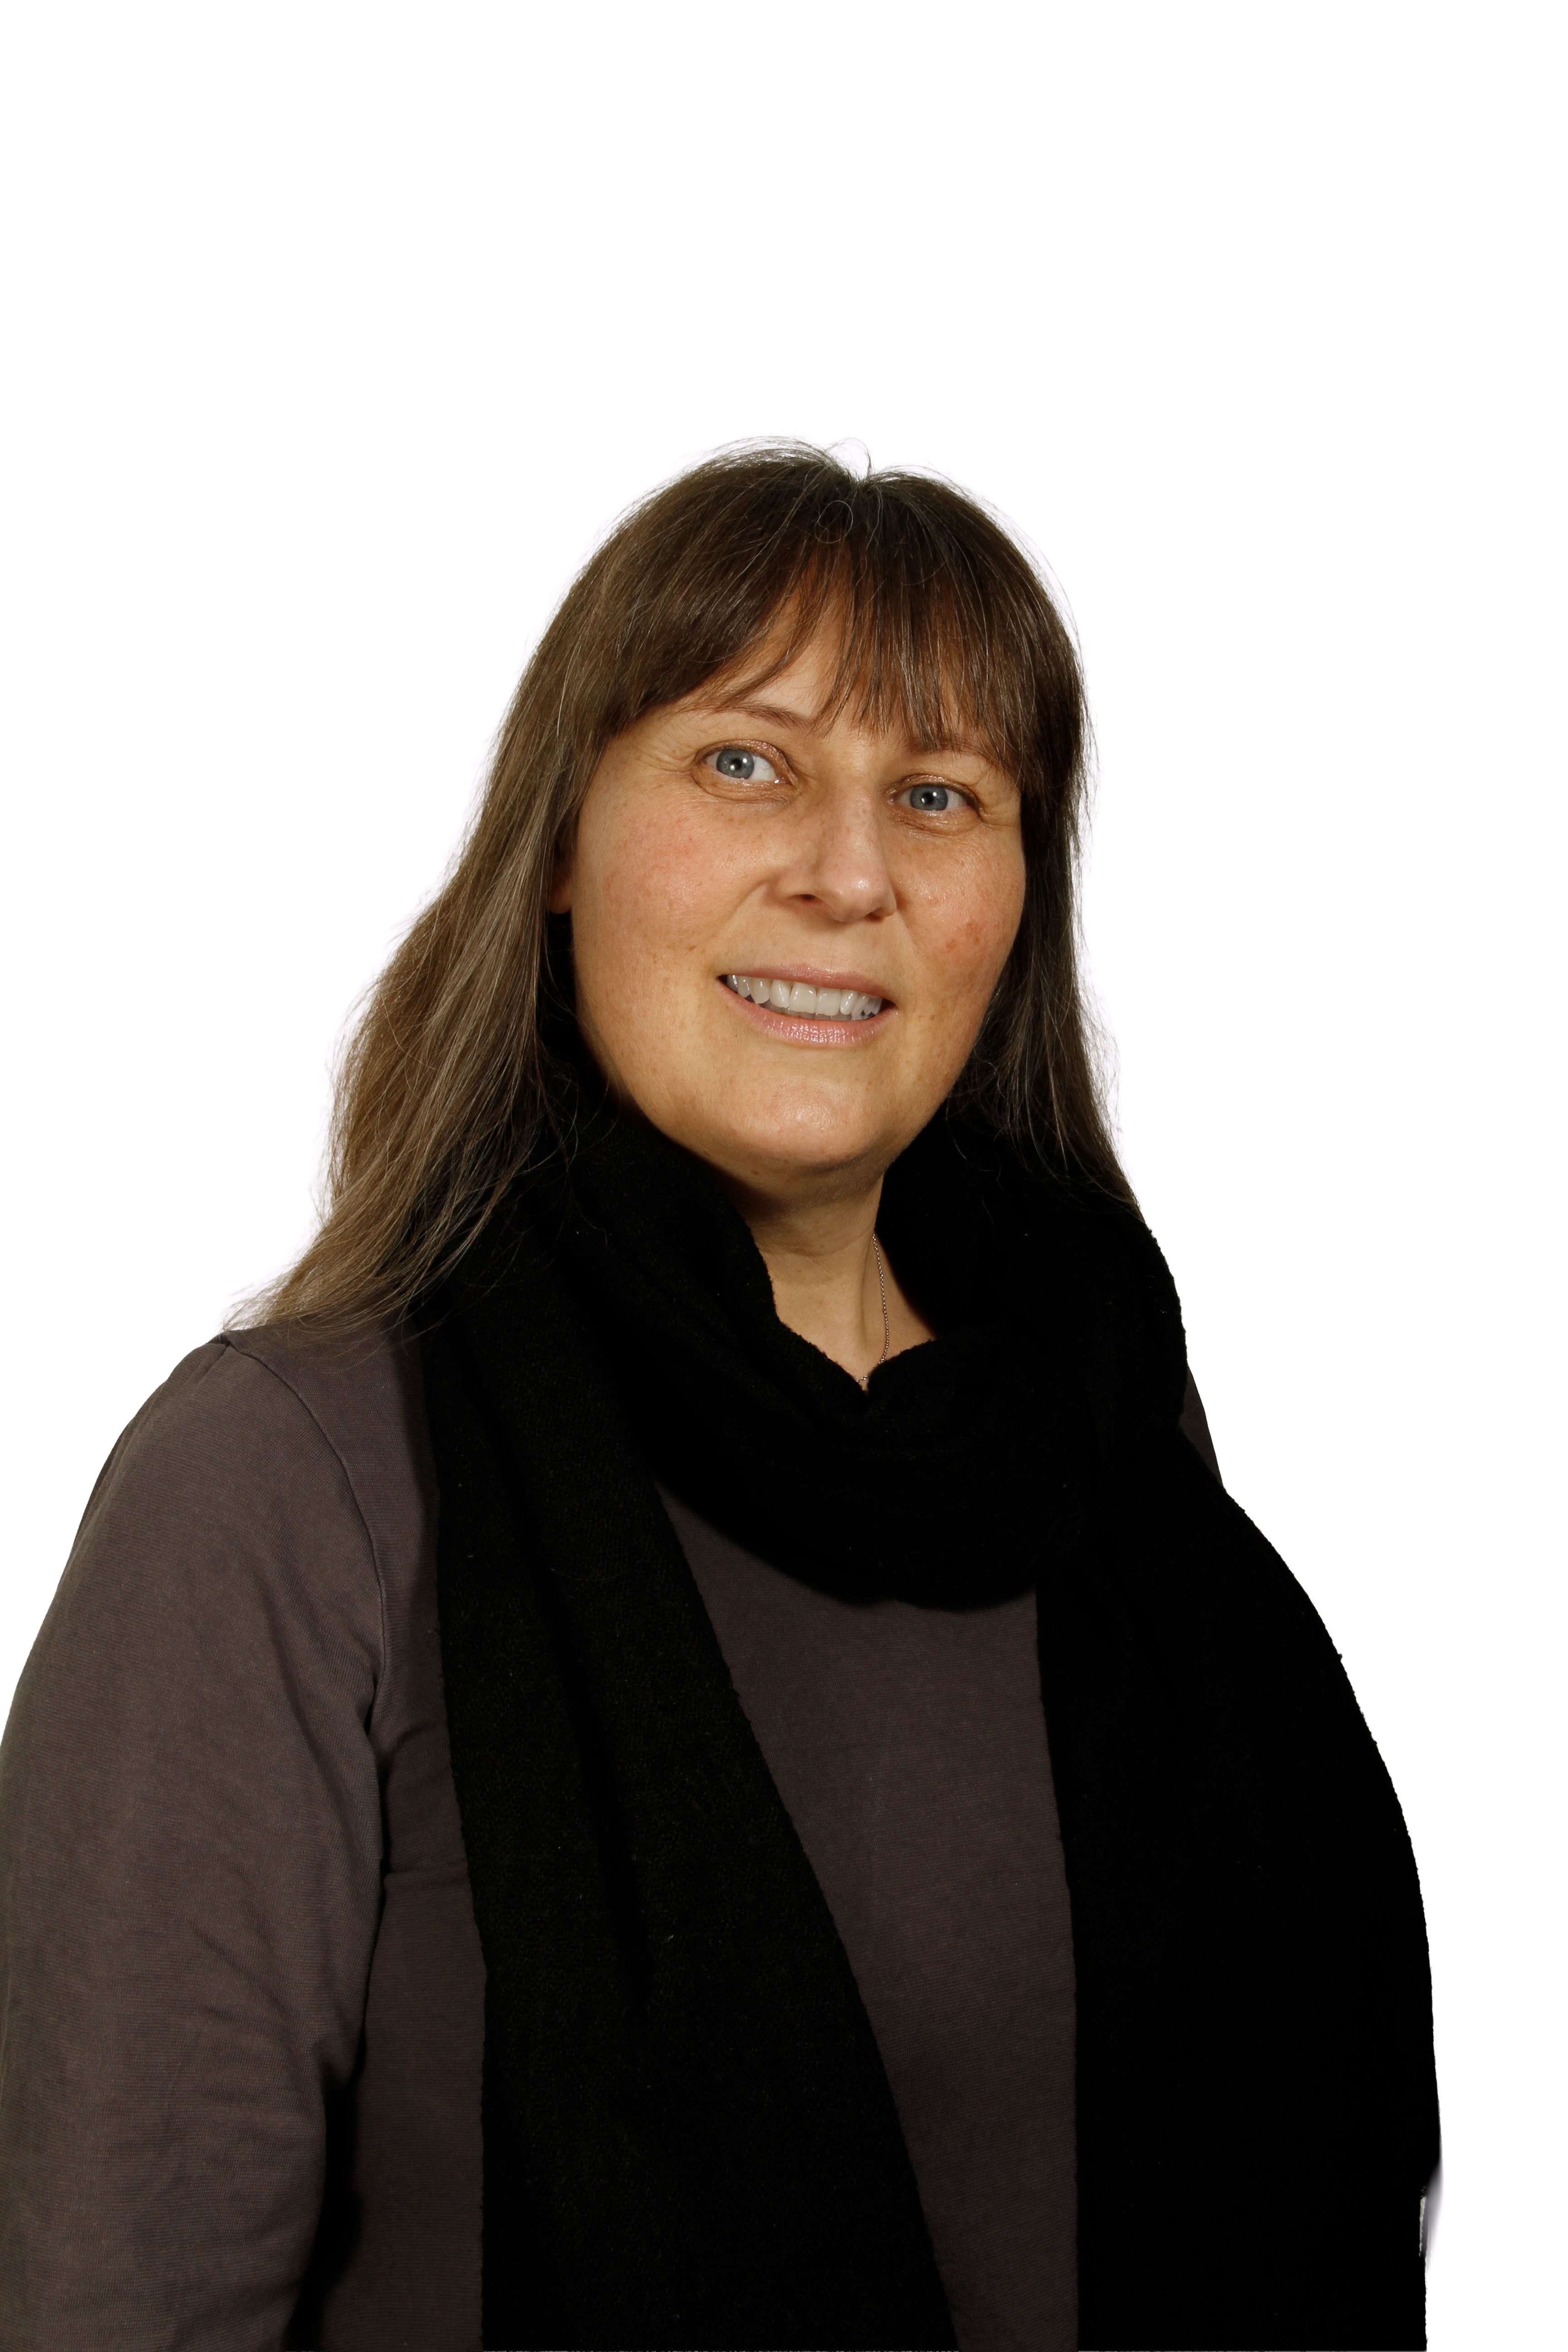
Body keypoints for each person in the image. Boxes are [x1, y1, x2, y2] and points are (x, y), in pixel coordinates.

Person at [0, 445, 1439, 2352]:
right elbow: (110, 2298)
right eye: (745, 761)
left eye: (939, 795)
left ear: (1013, 913)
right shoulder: (290, 1483)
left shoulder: (1116, 1465)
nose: (849, 875)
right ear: (564, 858)